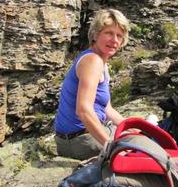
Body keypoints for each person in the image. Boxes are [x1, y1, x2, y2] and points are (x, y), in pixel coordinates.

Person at [54, 9, 130, 160]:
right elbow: (83, 110)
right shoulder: (92, 61)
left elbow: (107, 109)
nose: (114, 40)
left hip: (73, 140)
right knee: (141, 147)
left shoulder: (100, 63)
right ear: (95, 35)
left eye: (119, 36)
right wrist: (111, 147)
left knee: (136, 134)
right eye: (109, 33)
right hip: (80, 142)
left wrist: (132, 126)